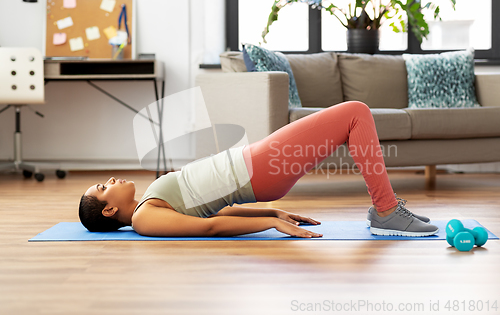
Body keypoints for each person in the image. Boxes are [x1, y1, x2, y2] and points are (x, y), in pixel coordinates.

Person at [79, 101, 439, 238]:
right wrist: (268, 223)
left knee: (352, 119)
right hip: (258, 168)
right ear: (110, 209)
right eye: (102, 187)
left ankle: (386, 208)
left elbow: (217, 206)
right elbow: (210, 226)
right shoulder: (144, 219)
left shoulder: (152, 202)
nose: (110, 180)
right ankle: (387, 210)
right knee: (355, 113)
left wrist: (273, 210)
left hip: (256, 164)